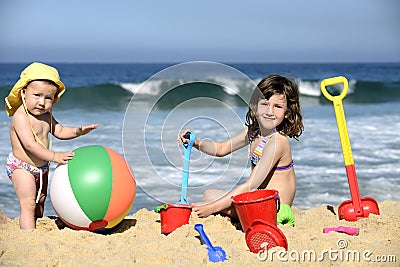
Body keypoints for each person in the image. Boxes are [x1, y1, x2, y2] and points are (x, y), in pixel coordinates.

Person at [178, 74, 303, 226]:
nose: (270, 111)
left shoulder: (277, 141)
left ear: (287, 113)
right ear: (255, 106)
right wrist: (196, 143)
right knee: (208, 194)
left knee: (208, 204)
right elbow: (222, 148)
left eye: (277, 107)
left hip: (276, 210)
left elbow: (250, 186)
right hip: (260, 200)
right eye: (265, 104)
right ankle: (233, 215)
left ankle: (233, 215)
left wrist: (211, 209)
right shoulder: (254, 132)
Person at [5, 62, 99, 229]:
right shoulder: (21, 117)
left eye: (48, 98)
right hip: (22, 167)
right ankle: (28, 237)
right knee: (28, 204)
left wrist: (78, 131)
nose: (42, 102)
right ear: (24, 92)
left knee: (40, 200)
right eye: (37, 95)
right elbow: (29, 144)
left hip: (42, 167)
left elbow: (60, 131)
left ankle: (36, 225)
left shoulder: (46, 116)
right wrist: (55, 156)